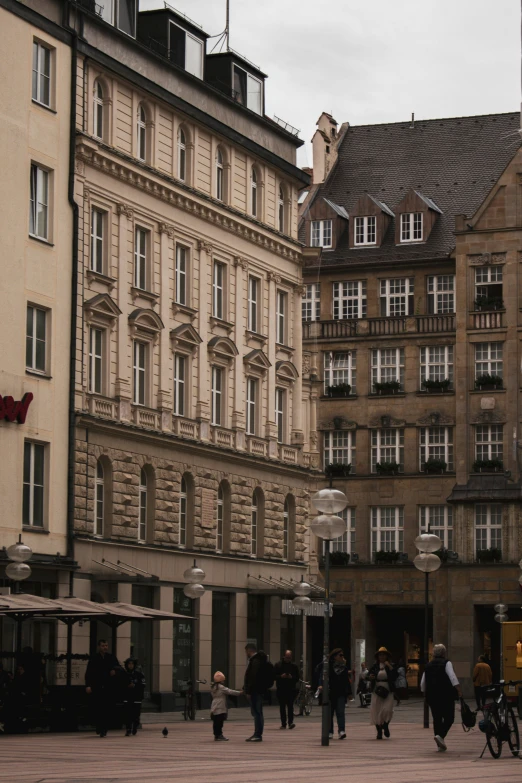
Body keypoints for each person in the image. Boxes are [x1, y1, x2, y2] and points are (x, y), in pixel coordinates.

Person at [421, 643, 463, 752]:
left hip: (432, 696)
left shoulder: (428, 665)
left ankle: (439, 744)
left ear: (434, 653)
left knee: (437, 718)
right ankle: (441, 736)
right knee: (449, 718)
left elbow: (423, 682)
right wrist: (458, 689)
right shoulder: (446, 663)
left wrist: (424, 693)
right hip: (446, 695)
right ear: (444, 653)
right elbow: (452, 677)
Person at [85, 639, 121, 737]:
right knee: (97, 707)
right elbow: (89, 672)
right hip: (97, 686)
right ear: (99, 647)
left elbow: (119, 668)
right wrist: (88, 685)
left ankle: (104, 728)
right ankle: (98, 725)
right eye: (103, 645)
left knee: (107, 708)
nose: (105, 647)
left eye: (106, 645)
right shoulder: (94, 658)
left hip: (108, 687)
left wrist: (114, 671)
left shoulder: (111, 657)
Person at [319, 648, 350, 740]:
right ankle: (330, 731)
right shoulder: (328, 666)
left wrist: (349, 693)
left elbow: (346, 681)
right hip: (330, 692)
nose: (342, 657)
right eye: (340, 655)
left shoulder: (344, 668)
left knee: (340, 712)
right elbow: (319, 672)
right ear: (335, 656)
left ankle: (341, 731)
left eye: (343, 655)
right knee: (329, 713)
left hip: (340, 693)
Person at [243, 643, 270, 742]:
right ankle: (257, 733)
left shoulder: (255, 661)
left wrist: (248, 690)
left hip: (255, 691)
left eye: (246, 651)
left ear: (249, 651)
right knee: (258, 712)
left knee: (257, 712)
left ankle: (257, 734)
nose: (246, 653)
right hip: (259, 690)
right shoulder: (259, 660)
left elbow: (252, 677)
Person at [369, 646, 397, 739]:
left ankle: (385, 724)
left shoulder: (390, 665)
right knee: (376, 710)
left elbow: (395, 675)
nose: (382, 657)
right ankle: (379, 731)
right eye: (380, 655)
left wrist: (389, 665)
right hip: (377, 690)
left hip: (388, 689)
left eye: (383, 655)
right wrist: (370, 677)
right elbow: (368, 676)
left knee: (388, 710)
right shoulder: (374, 666)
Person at [210, 671, 242, 741]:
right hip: (220, 705)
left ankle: (216, 735)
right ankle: (219, 735)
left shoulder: (213, 687)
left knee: (216, 721)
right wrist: (239, 693)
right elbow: (230, 691)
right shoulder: (221, 687)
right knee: (220, 721)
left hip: (214, 704)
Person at [274, 650, 300, 729]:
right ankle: (283, 723)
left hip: (291, 689)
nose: (288, 659)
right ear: (284, 656)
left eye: (289, 658)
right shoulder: (278, 665)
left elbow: (297, 677)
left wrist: (291, 677)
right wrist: (281, 676)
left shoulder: (294, 666)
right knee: (282, 707)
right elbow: (274, 676)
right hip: (281, 688)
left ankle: (290, 722)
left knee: (290, 706)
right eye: (287, 657)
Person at [123, 657, 145, 736]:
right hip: (127, 697)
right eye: (129, 664)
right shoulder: (124, 674)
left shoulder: (139, 675)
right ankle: (128, 729)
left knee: (136, 714)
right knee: (127, 714)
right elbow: (120, 685)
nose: (130, 666)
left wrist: (135, 685)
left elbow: (142, 685)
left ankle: (135, 726)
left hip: (136, 697)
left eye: (132, 664)